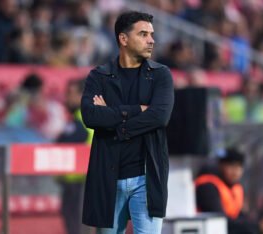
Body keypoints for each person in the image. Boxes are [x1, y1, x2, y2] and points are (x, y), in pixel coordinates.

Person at [80, 11, 174, 234]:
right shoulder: (98, 76)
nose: (151, 40)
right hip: (108, 177)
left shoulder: (161, 75)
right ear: (123, 39)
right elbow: (90, 116)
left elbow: (160, 116)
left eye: (151, 34)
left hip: (146, 178)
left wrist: (114, 121)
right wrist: (136, 110)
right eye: (143, 34)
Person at [56, 79, 93, 234]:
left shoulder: (83, 115)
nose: (67, 98)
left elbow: (71, 138)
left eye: (71, 94)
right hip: (74, 179)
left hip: (82, 180)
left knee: (78, 225)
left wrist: (60, 138)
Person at [195, 147, 255, 234]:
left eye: (239, 166)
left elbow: (239, 216)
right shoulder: (207, 186)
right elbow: (219, 220)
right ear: (220, 165)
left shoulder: (235, 187)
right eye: (231, 165)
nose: (235, 171)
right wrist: (254, 226)